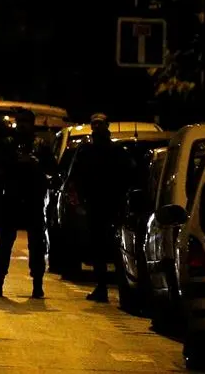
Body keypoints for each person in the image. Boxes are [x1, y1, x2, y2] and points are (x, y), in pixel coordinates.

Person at [0, 108, 55, 299]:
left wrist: (36, 165)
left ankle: (37, 284)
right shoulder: (7, 144)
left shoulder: (40, 145)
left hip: (33, 200)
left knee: (36, 244)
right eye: (20, 121)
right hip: (11, 199)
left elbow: (52, 169)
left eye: (26, 121)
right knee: (5, 244)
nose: (23, 124)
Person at [71, 113, 134, 302]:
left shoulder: (117, 151)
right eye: (94, 124)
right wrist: (80, 200)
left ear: (107, 125)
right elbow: (76, 177)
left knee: (115, 248)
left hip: (113, 206)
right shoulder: (86, 151)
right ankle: (102, 287)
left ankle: (122, 289)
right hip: (95, 206)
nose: (96, 127)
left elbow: (128, 176)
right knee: (98, 248)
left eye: (100, 124)